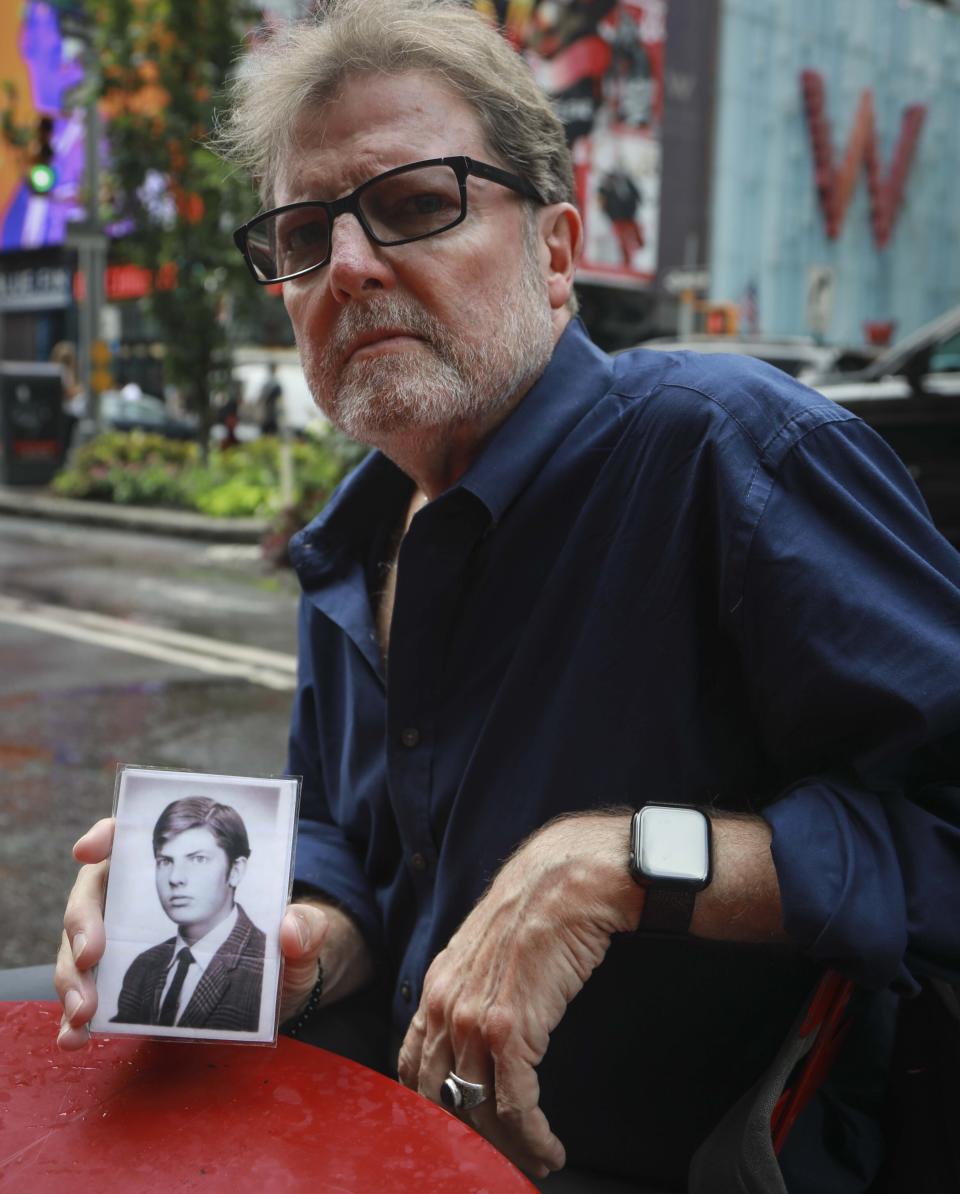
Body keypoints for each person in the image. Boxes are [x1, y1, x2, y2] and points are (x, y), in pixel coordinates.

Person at [55, 2, 960, 1191]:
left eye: (418, 203)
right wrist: (297, 941)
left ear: (556, 250)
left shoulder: (729, 453)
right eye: (303, 232)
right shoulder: (356, 533)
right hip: (379, 1129)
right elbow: (351, 841)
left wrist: (619, 864)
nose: (350, 265)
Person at [110, 797, 265, 1032]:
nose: (175, 878)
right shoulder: (144, 967)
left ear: (235, 870)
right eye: (165, 861)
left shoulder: (266, 970)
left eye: (198, 859)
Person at [259, 362, 283, 435]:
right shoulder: (275, 383)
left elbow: (261, 398)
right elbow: (280, 399)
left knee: (267, 433)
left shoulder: (266, 383)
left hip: (268, 413)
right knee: (272, 432)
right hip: (271, 413)